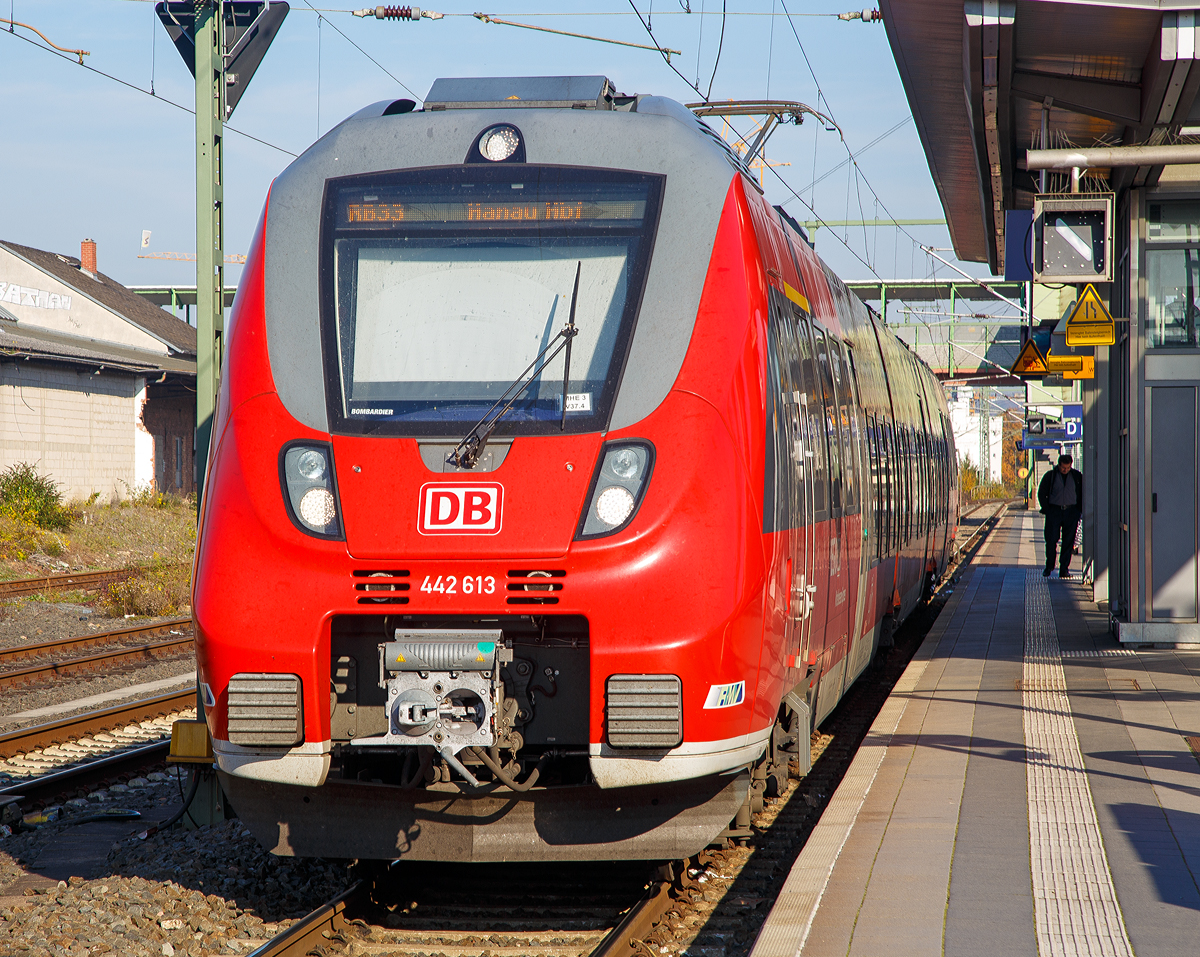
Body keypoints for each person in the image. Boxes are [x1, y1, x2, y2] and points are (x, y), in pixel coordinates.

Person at [1038, 454, 1083, 578]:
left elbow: (1082, 492)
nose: (1065, 470)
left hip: (1071, 511)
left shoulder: (1077, 476)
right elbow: (1042, 492)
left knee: (1068, 541)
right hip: (1054, 511)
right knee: (1051, 539)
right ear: (1059, 465)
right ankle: (1049, 566)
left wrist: (1078, 510)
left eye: (1068, 468)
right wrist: (1047, 508)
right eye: (1063, 467)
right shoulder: (1050, 476)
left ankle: (1064, 569)